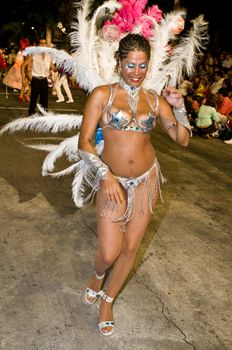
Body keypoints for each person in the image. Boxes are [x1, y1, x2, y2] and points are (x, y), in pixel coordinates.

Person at [78, 33, 191, 337]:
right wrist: (106, 175)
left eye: (142, 66)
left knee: (130, 248)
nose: (137, 72)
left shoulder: (154, 100)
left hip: (146, 181)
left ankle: (107, 301)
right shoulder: (103, 95)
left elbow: (182, 140)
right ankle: (97, 274)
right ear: (119, 62)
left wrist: (179, 108)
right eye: (130, 65)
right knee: (109, 250)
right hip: (111, 179)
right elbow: (84, 143)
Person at [21, 38, 56, 116]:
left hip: (44, 80)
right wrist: (23, 79)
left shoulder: (49, 56)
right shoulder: (34, 54)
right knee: (33, 100)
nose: (42, 45)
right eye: (41, 43)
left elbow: (53, 68)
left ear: (46, 45)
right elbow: (23, 66)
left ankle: (43, 116)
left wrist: (62, 68)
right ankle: (31, 116)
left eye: (44, 43)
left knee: (44, 101)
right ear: (38, 45)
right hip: (35, 80)